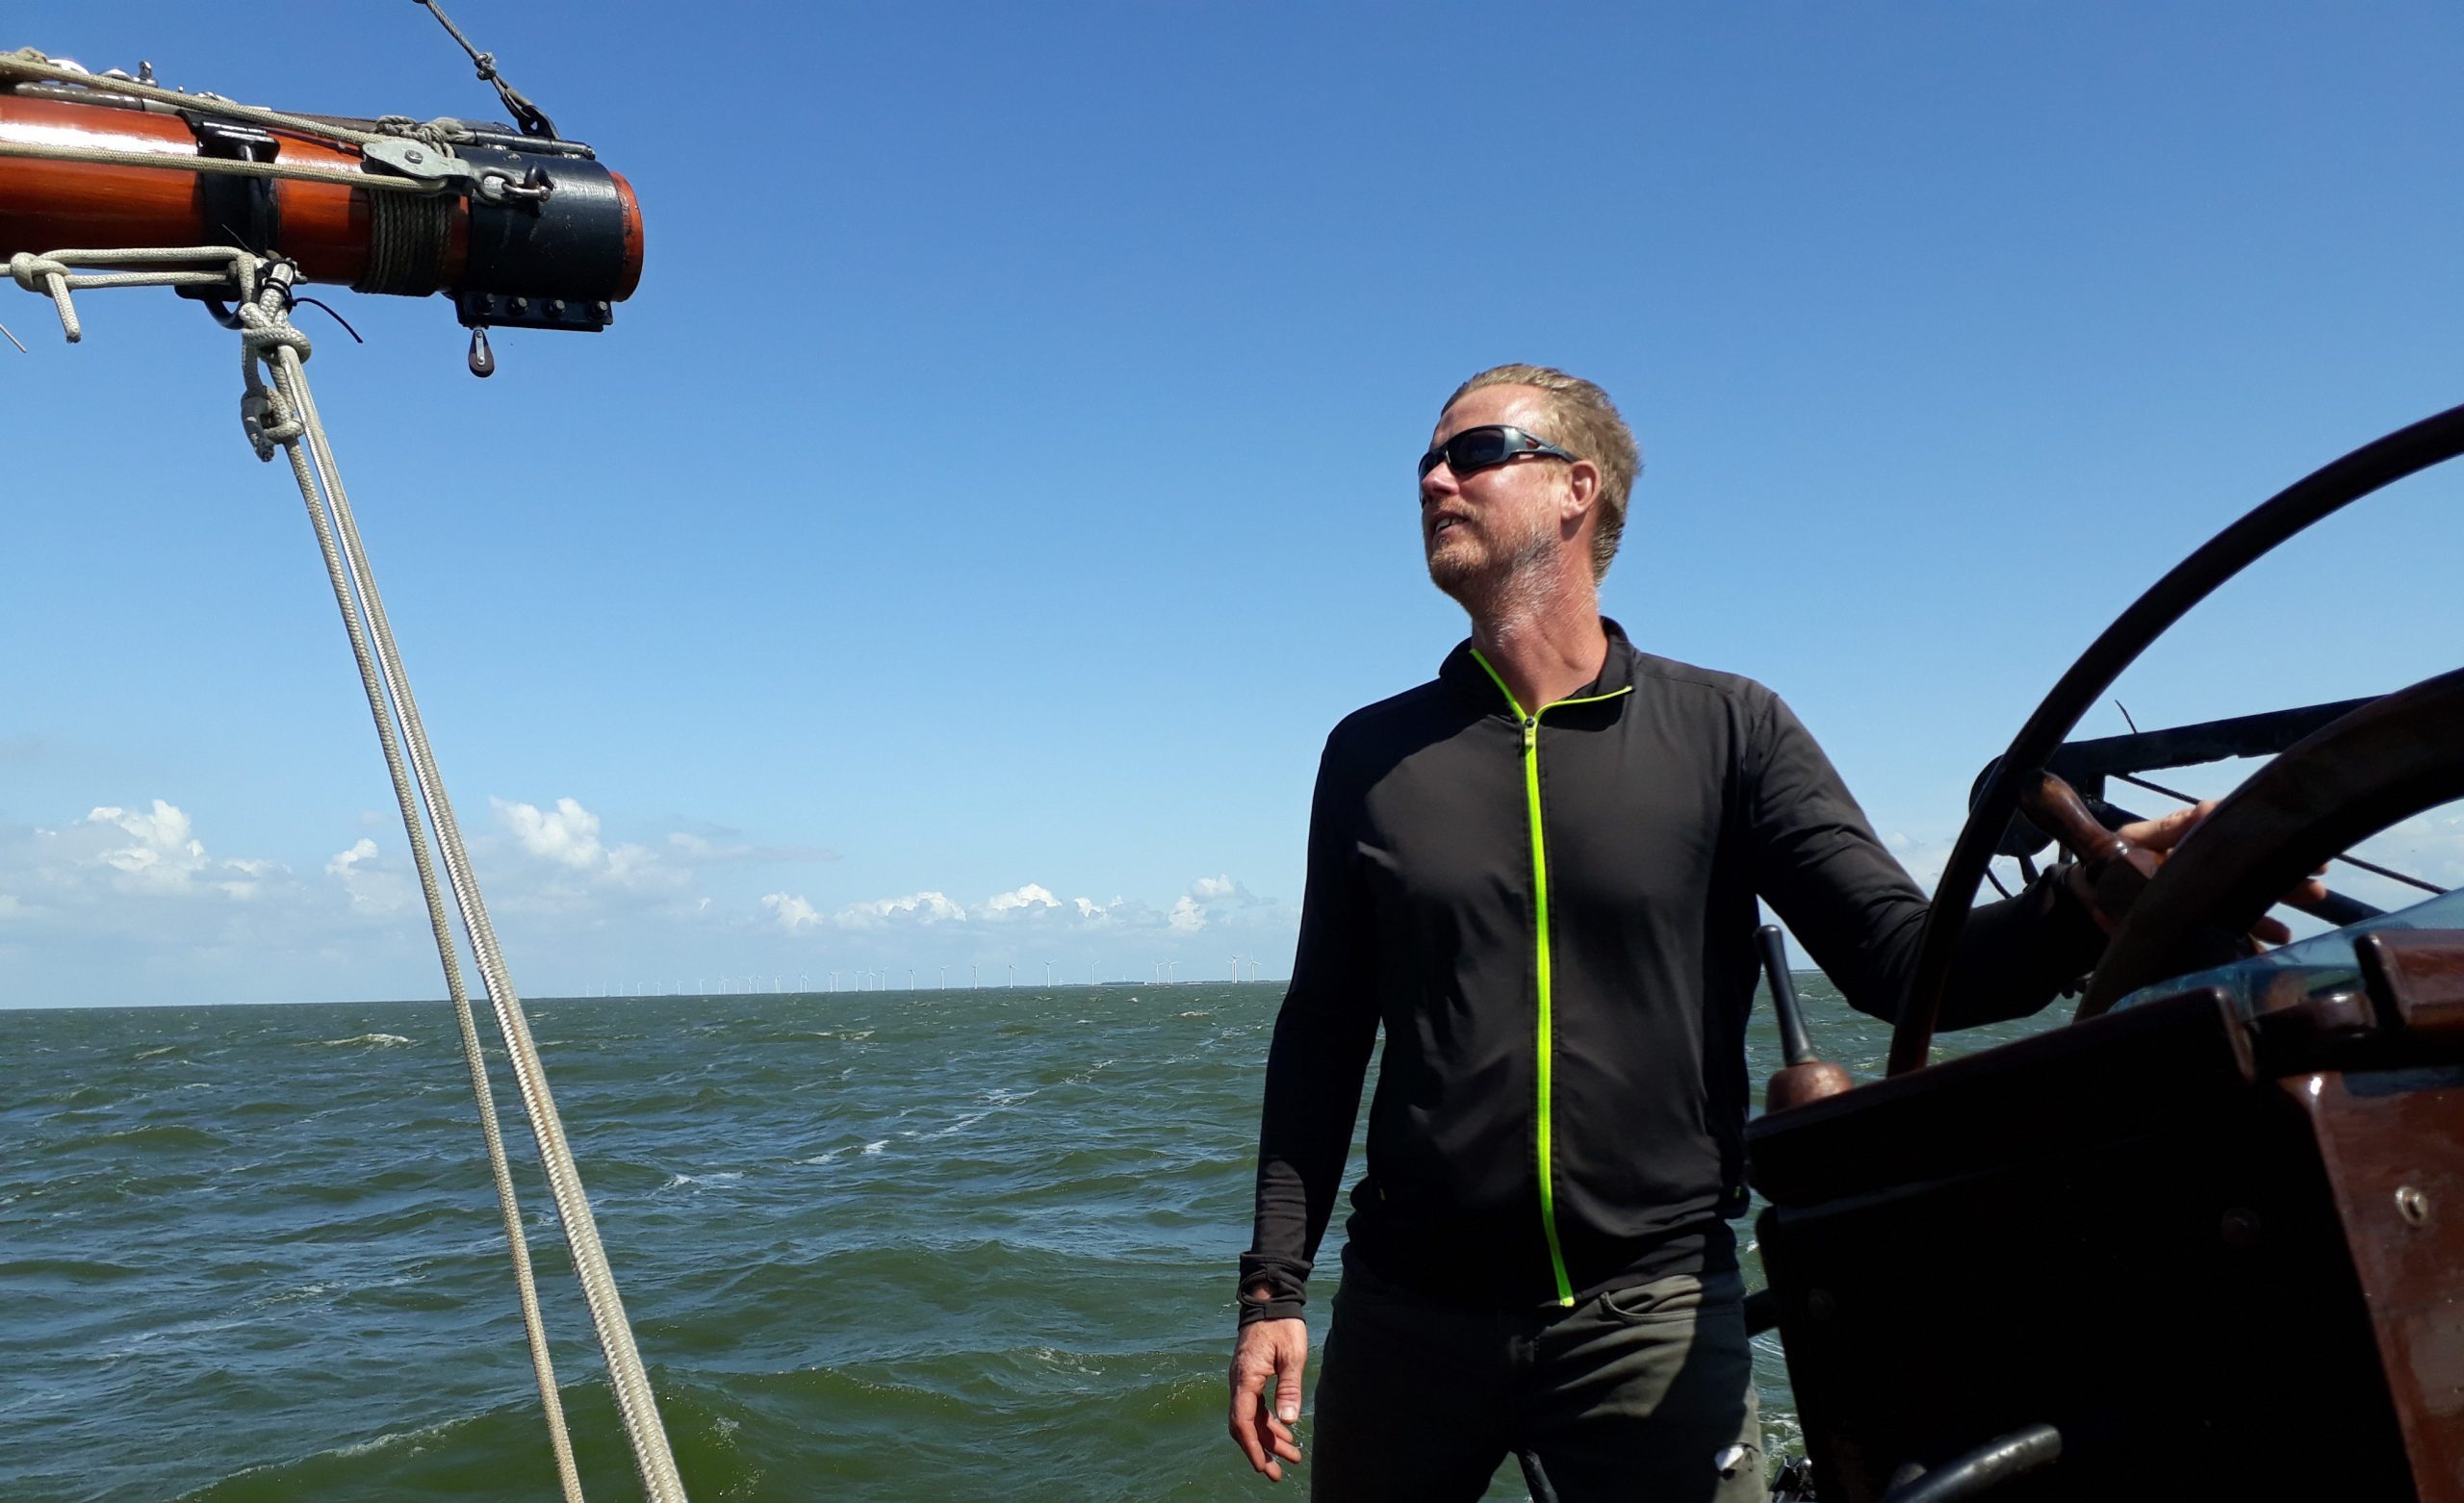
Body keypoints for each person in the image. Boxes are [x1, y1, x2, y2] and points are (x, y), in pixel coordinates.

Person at [1223, 365, 2243, 1500]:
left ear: (1576, 488)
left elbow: (1906, 968)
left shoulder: (1728, 727)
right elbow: (1321, 1029)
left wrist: (2084, 902)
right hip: (1407, 1313)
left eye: (1472, 452)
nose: (1432, 477)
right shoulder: (1368, 754)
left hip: (1649, 1313)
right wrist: (1273, 1291)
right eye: (1425, 459)